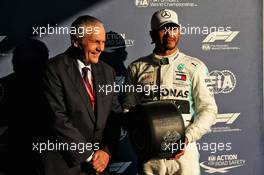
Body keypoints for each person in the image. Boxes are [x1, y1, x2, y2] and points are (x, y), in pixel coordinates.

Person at [122, 9, 218, 175]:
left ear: (179, 31)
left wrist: (186, 138)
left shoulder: (195, 67)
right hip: (150, 158)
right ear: (152, 35)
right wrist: (142, 137)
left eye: (174, 28)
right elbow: (128, 109)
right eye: (163, 29)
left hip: (184, 156)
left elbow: (209, 110)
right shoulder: (136, 68)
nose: (169, 34)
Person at [40, 15, 121, 175]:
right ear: (76, 41)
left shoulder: (107, 72)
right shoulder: (53, 70)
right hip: (64, 165)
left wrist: (106, 152)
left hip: (99, 166)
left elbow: (115, 114)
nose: (101, 48)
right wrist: (90, 156)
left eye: (103, 42)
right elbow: (58, 118)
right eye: (95, 42)